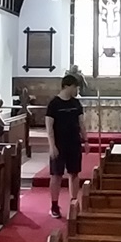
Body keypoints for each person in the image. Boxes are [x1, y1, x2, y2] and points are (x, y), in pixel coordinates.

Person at [45, 74, 86, 219]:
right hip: (59, 144)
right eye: (75, 87)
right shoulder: (54, 104)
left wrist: (86, 140)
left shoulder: (76, 103)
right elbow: (49, 127)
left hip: (74, 143)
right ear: (67, 86)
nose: (76, 90)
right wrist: (52, 146)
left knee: (74, 173)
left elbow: (81, 123)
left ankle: (74, 202)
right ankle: (54, 205)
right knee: (56, 175)